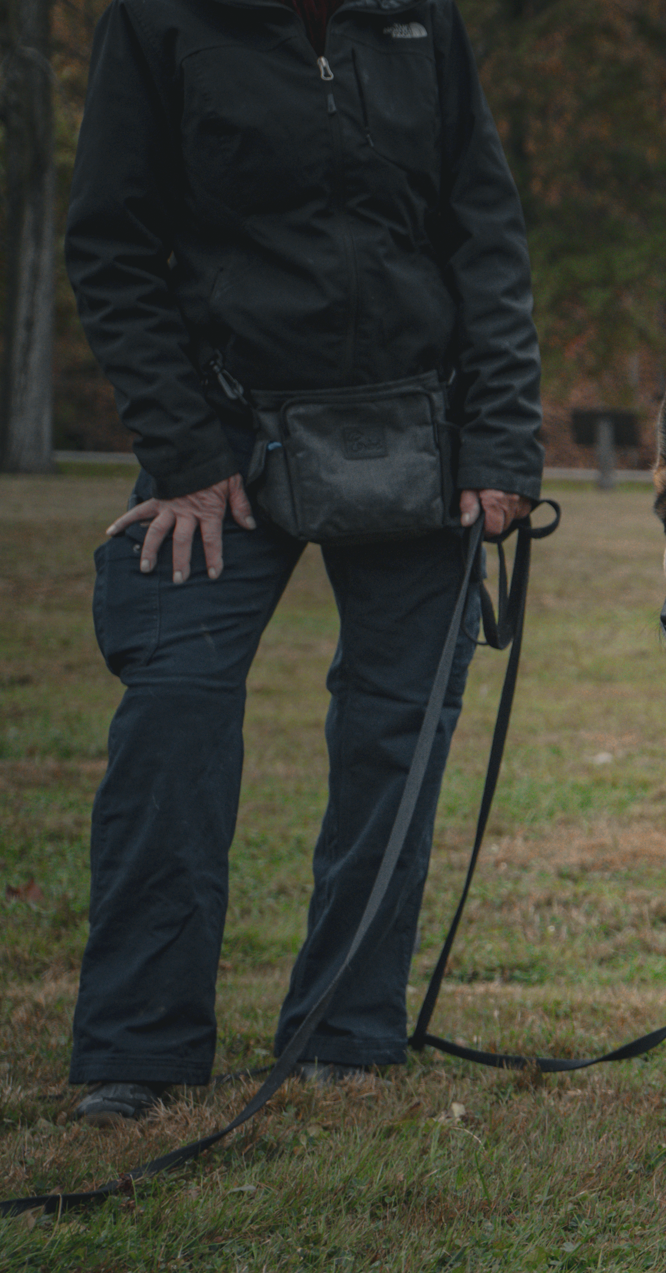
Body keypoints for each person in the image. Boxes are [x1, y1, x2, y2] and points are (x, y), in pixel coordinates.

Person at [63, 0, 543, 1123]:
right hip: (224, 442)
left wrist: (503, 443)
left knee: (395, 734)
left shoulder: (424, 21)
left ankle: (349, 1033)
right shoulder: (159, 23)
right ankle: (137, 1048)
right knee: (172, 712)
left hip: (417, 439)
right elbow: (112, 242)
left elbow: (484, 231)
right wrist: (181, 455)